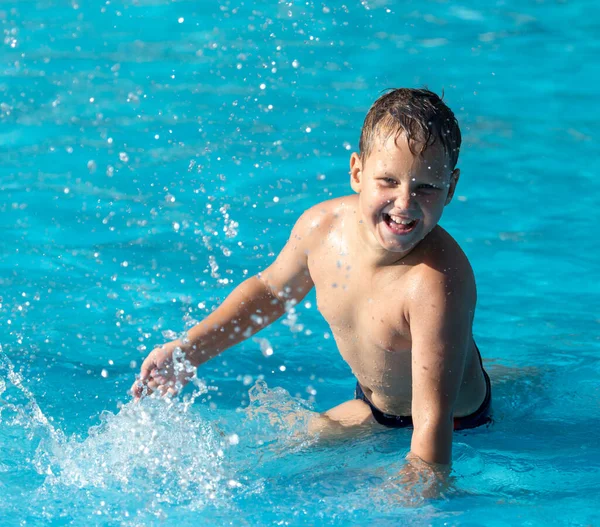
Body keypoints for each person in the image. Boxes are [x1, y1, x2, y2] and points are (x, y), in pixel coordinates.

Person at [130, 88, 492, 471]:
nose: (404, 202)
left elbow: (432, 422)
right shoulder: (322, 230)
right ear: (357, 172)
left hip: (456, 424)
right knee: (260, 456)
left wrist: (417, 495)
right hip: (375, 406)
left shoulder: (434, 283)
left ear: (450, 188)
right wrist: (189, 351)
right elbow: (270, 292)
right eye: (388, 180)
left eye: (426, 187)